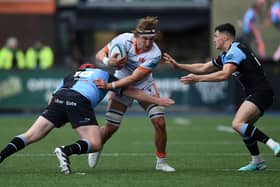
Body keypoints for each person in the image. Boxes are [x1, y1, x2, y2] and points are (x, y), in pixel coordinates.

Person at [0, 63, 174, 174]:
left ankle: (1, 155)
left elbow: (52, 98)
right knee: (95, 143)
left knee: (30, 135)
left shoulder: (71, 75)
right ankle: (65, 151)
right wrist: (158, 100)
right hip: (79, 100)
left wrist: (58, 115)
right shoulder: (102, 74)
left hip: (59, 98)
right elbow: (133, 92)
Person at [163, 23, 280, 171]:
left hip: (260, 92)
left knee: (237, 124)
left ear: (224, 38)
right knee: (243, 127)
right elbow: (203, 67)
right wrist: (179, 65)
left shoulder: (235, 51)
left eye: (216, 36)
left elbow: (224, 75)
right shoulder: (226, 55)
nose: (214, 40)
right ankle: (257, 161)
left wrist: (198, 79)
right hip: (259, 93)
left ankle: (274, 144)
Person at [88, 16, 176, 172]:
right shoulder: (123, 39)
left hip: (143, 84)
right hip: (121, 82)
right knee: (111, 127)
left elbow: (135, 78)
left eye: (151, 39)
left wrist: (110, 85)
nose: (148, 43)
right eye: (145, 38)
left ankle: (161, 162)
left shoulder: (155, 53)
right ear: (136, 36)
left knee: (160, 122)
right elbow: (100, 54)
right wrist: (109, 62)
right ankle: (97, 146)